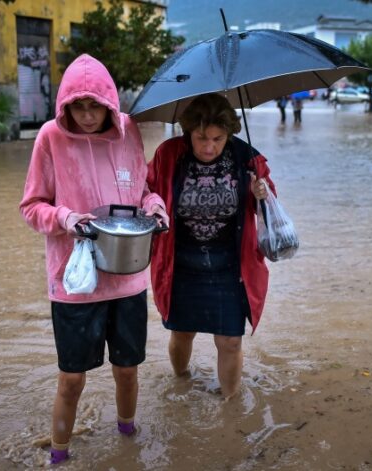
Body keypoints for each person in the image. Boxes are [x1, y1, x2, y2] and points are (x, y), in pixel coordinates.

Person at [19, 54, 168, 465]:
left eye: (94, 106)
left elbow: (143, 192)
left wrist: (156, 208)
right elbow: (31, 206)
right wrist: (66, 218)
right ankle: (60, 456)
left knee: (127, 370)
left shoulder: (129, 131)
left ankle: (127, 438)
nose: (86, 116)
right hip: (75, 282)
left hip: (128, 277)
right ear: (65, 107)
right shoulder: (50, 137)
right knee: (71, 379)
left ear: (109, 103)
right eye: (78, 107)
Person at [147, 93, 276, 399]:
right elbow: (147, 191)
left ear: (229, 133)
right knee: (181, 332)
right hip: (180, 265)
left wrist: (263, 192)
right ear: (188, 131)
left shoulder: (248, 159)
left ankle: (231, 406)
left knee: (231, 341)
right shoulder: (168, 155)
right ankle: (181, 380)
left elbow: (271, 208)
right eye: (201, 137)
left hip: (231, 268)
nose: (208, 147)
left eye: (218, 139)